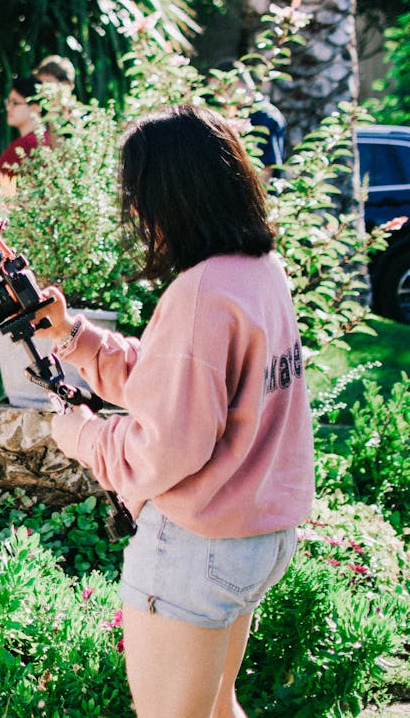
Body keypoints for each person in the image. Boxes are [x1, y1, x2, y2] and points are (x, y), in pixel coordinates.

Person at [30, 105, 313, 718]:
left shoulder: (201, 294)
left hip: (197, 545)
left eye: (138, 196)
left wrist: (84, 436)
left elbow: (170, 443)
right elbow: (187, 384)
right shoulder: (262, 274)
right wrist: (75, 337)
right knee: (217, 709)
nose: (135, 213)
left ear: (172, 196)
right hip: (258, 536)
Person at [212, 59, 287, 170]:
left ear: (234, 83)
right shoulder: (251, 112)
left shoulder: (264, 117)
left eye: (218, 90)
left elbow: (267, 169)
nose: (217, 97)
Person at [0, 76, 50, 182]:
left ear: (35, 108)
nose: (8, 108)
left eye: (15, 103)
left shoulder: (29, 143)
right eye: (8, 102)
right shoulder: (47, 139)